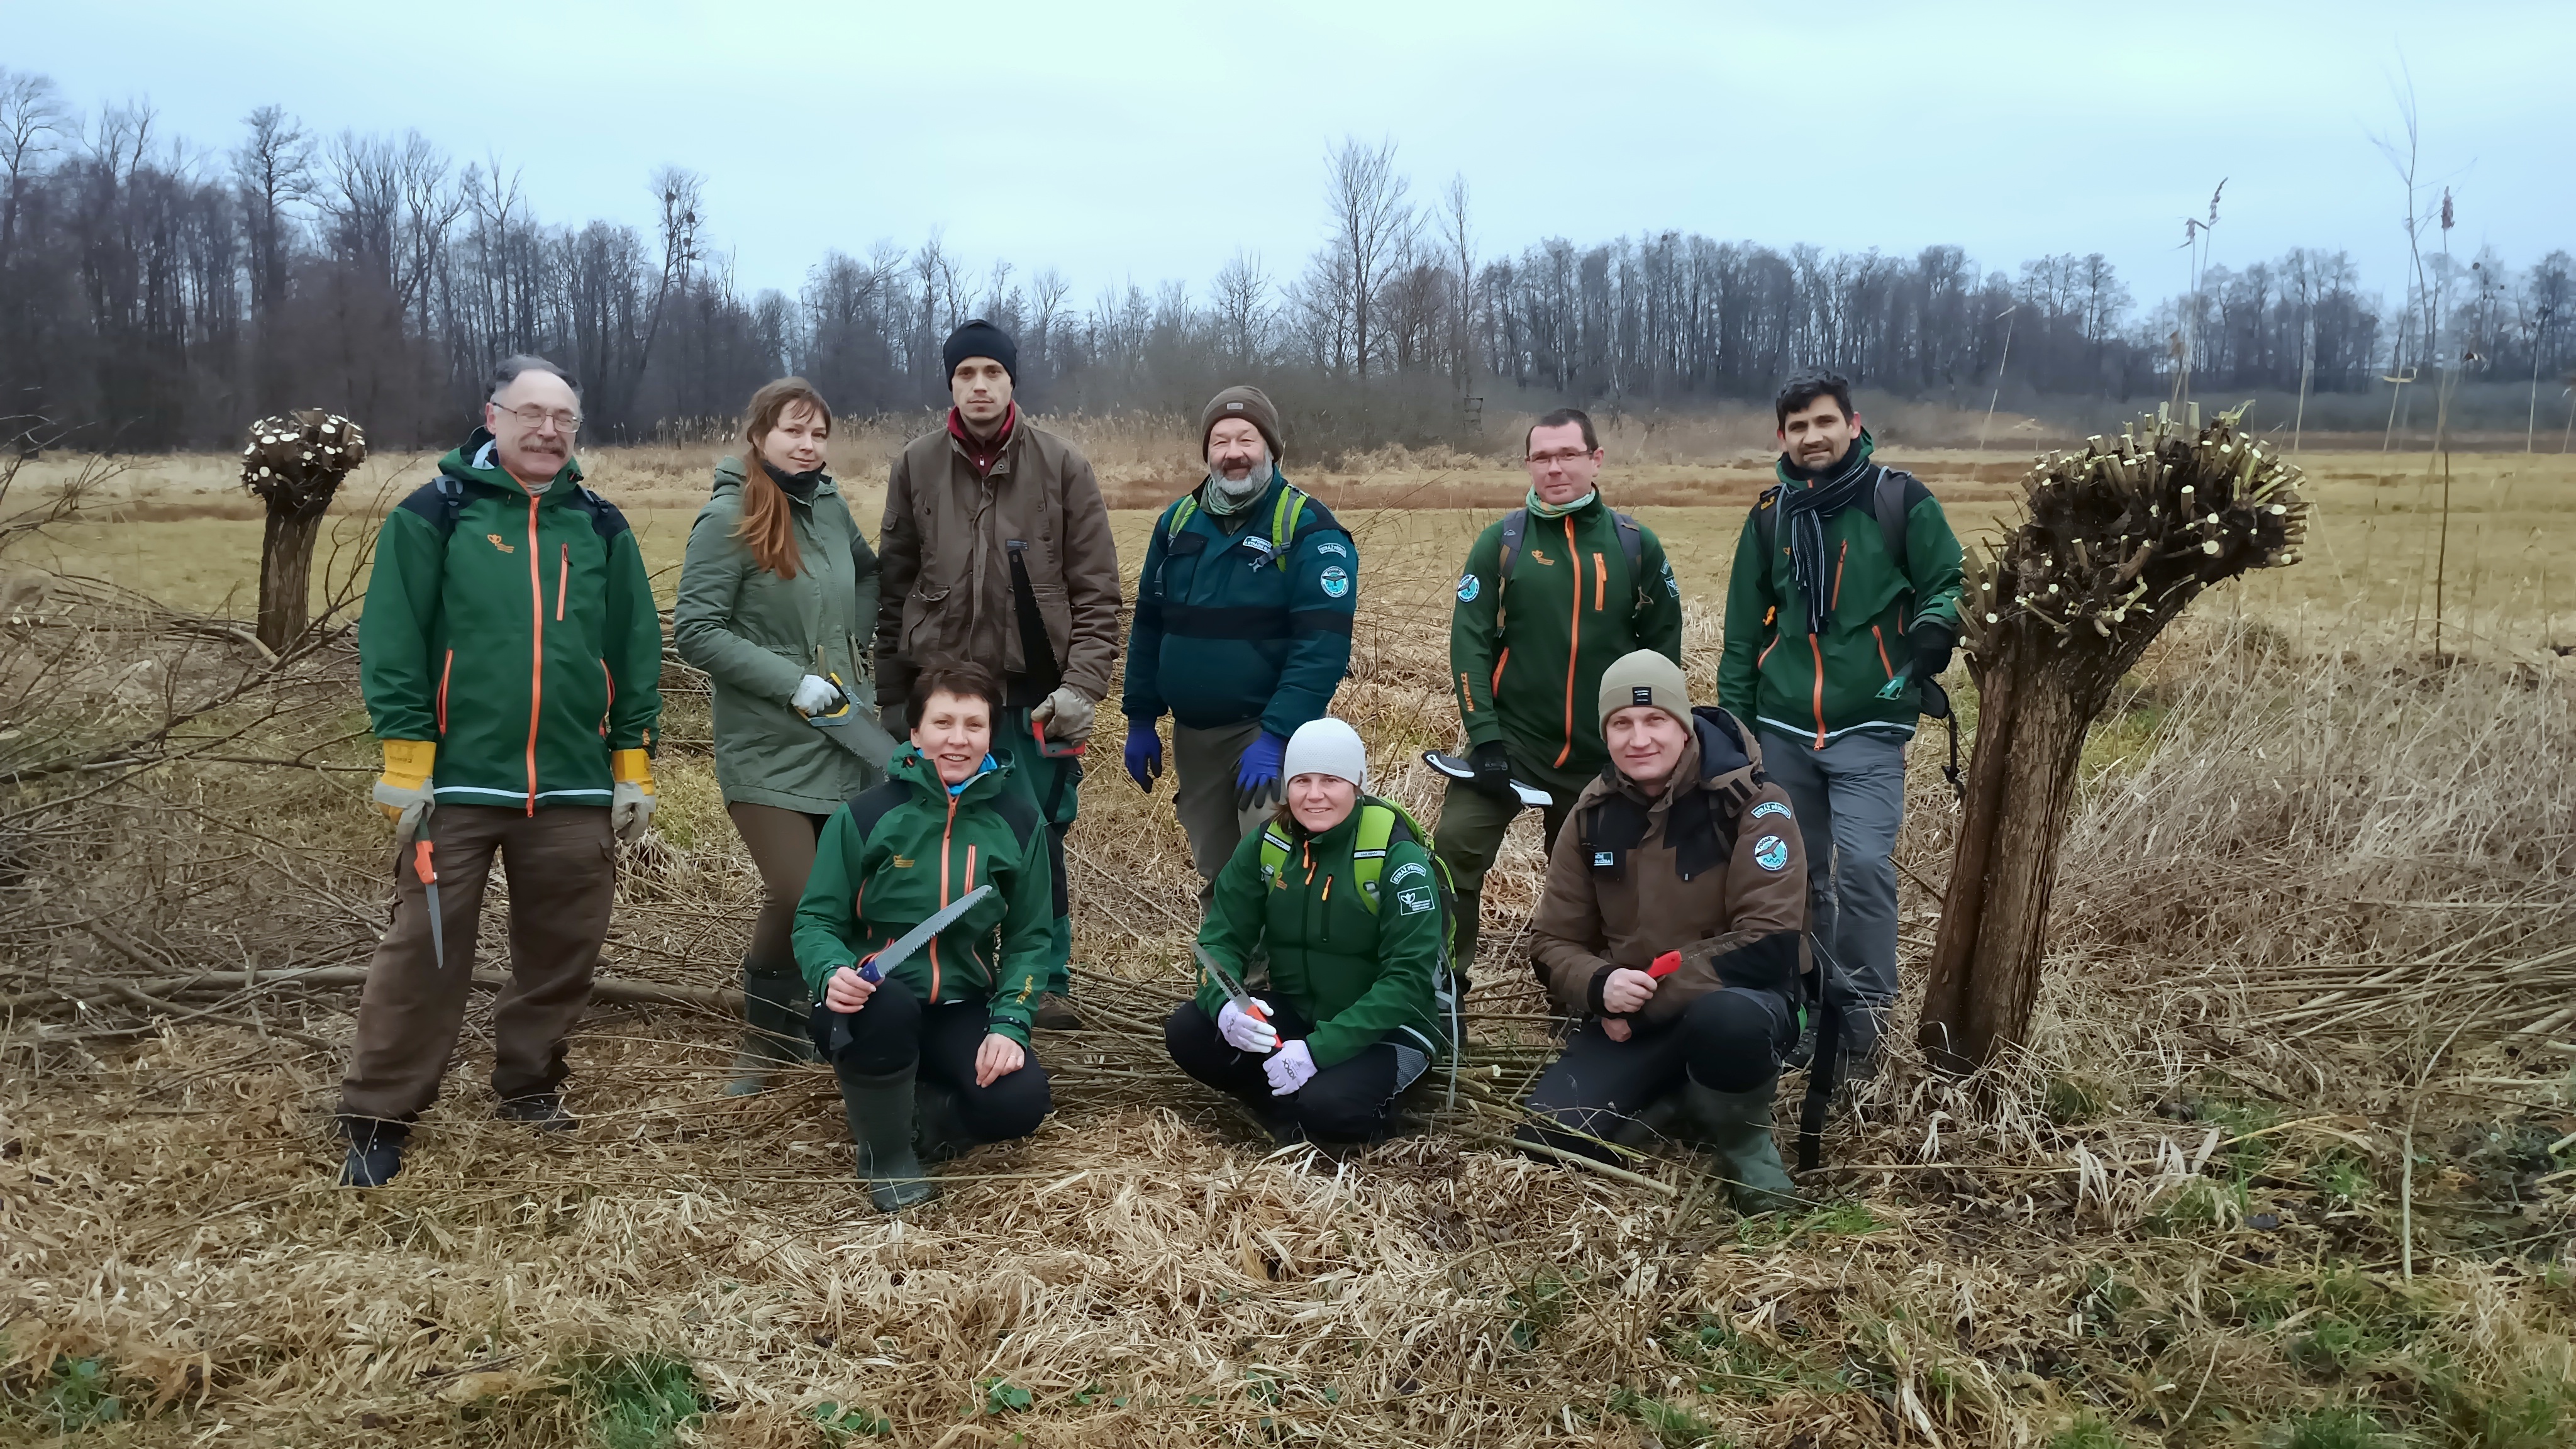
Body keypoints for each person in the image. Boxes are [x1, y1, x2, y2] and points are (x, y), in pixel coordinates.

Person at [338, 355, 664, 1187]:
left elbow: (633, 653)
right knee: (425, 947)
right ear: (493, 417)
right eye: (531, 414)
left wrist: (632, 767)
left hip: (574, 787)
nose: (548, 430)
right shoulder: (432, 517)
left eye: (564, 418)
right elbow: (394, 644)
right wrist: (408, 764)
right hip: (455, 788)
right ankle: (380, 1113)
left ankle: (527, 1083)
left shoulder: (600, 526)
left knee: (563, 948)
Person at [874, 319, 1121, 1030]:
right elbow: (893, 589)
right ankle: (950, 973)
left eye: (991, 373)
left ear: (1012, 381)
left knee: (1035, 837)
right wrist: (896, 696)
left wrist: (1081, 689)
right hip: (946, 697)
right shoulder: (916, 466)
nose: (979, 386)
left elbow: (1098, 592)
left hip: (1032, 698)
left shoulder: (1062, 465)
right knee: (943, 835)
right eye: (965, 375)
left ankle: (1044, 980)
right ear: (949, 384)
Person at [1717, 370, 1962, 1074]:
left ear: (1853, 426)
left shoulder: (1899, 500)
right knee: (1797, 880)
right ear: (1782, 438)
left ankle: (1860, 1026)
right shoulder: (1770, 515)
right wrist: (1738, 734)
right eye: (1797, 427)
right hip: (1784, 726)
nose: (1811, 437)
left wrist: (1934, 629)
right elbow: (1741, 633)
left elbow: (1950, 578)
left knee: (1859, 870)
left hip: (1868, 723)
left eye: (1824, 422)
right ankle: (1809, 1008)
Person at [1518, 651, 1809, 1213]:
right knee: (1548, 1137)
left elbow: (1769, 940)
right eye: (1621, 724)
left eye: (1655, 721)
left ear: (1683, 724)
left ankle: (1749, 1152)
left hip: (1741, 1002)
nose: (1639, 738)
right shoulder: (1592, 814)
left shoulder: (1753, 803)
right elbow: (1552, 942)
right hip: (1637, 1015)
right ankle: (1688, 1102)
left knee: (1728, 1021)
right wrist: (1600, 986)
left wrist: (1645, 999)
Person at [674, 378, 881, 1096]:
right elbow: (694, 630)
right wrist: (790, 679)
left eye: (819, 434)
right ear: (759, 434)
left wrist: (851, 652)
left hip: (839, 735)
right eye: (795, 430)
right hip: (763, 743)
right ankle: (765, 1039)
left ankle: (806, 1027)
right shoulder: (728, 515)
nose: (808, 445)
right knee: (802, 893)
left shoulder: (827, 507)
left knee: (821, 894)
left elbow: (868, 573)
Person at [792, 663, 1054, 1211]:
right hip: (871, 1000)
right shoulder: (865, 817)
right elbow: (815, 921)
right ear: (915, 733)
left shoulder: (1020, 824)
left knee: (1021, 1103)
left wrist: (1010, 1023)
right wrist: (829, 973)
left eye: (974, 725)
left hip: (960, 1006)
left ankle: (919, 1113)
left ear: (990, 734)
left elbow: (1031, 939)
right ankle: (884, 1155)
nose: (958, 740)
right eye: (943, 723)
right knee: (885, 1007)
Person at [1437, 407, 1683, 982]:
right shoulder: (1501, 544)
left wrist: (1643, 734)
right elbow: (1469, 644)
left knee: (1601, 882)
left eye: (1568, 455)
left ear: (1595, 460)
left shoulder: (1633, 546)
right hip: (1512, 742)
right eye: (1542, 457)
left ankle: (1581, 992)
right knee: (1454, 850)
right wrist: (1486, 739)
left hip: (1602, 757)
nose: (1555, 468)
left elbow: (1663, 650)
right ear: (1528, 464)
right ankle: (1440, 988)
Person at [1122, 385, 1356, 908]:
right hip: (1194, 739)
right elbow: (1148, 626)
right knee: (1217, 874)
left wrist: (1277, 736)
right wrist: (1140, 718)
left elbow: (1323, 645)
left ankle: (1280, 989)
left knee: (1274, 870)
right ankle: (1228, 986)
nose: (1234, 452)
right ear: (1206, 452)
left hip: (1267, 740)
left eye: (1247, 438)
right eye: (1221, 440)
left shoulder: (1306, 528)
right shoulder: (1177, 523)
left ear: (1272, 448)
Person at [1164, 718, 1448, 1145]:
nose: (1314, 795)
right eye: (1301, 781)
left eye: (1330, 780)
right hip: (1301, 1014)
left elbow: (1406, 981)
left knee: (1330, 1108)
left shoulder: (1398, 859)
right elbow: (1219, 940)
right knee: (1188, 1031)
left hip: (1390, 1030)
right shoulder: (1268, 845)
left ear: (1357, 784)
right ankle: (1287, 1107)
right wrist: (1226, 1004)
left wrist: (1318, 1051)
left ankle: (1342, 1108)